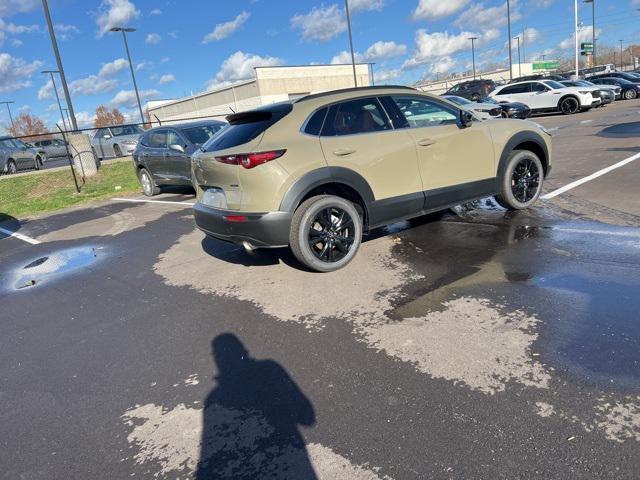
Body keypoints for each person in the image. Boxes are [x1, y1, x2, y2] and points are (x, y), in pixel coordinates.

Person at [196, 334, 317, 479]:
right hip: (286, 460)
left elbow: (209, 451)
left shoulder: (213, 397)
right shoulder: (270, 368)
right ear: (243, 350)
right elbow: (307, 417)